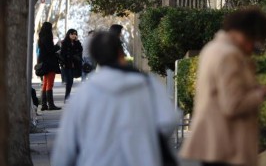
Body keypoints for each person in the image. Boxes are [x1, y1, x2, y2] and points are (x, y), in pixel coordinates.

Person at [51, 30, 179, 166]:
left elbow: (65, 148)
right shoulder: (148, 85)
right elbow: (168, 120)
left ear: (95, 57)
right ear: (120, 53)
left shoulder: (83, 95)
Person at [180, 7, 266, 166]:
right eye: (255, 41)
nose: (253, 48)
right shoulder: (229, 55)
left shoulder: (212, 49)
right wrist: (261, 93)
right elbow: (233, 104)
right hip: (228, 144)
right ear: (245, 33)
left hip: (214, 142)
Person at [37, 22, 62, 111]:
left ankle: (44, 105)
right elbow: (50, 50)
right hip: (49, 63)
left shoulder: (40, 38)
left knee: (45, 83)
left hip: (43, 63)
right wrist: (57, 46)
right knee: (49, 84)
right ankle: (50, 105)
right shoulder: (48, 37)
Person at [59, 29, 83, 101]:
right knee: (69, 81)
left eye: (75, 34)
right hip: (67, 64)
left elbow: (80, 50)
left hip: (74, 64)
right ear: (69, 34)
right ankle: (67, 97)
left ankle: (67, 97)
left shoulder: (76, 43)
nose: (74, 35)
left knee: (71, 81)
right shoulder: (65, 42)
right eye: (72, 34)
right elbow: (63, 53)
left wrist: (77, 41)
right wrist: (71, 56)